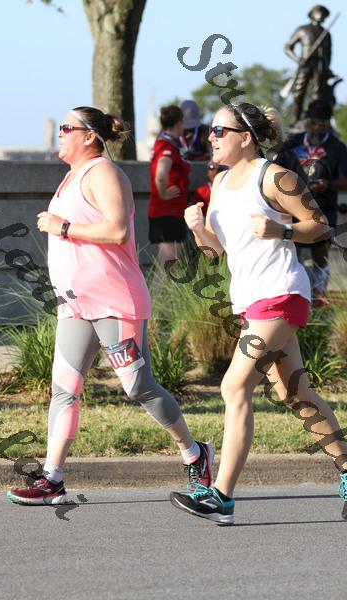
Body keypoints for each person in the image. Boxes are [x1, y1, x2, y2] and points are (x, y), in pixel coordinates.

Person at [7, 106, 213, 505]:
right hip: (76, 304)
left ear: (89, 136)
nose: (60, 133)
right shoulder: (71, 176)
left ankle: (194, 453)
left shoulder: (103, 172)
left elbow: (117, 230)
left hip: (114, 302)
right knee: (64, 390)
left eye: (67, 127)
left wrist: (62, 227)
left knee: (138, 386)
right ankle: (52, 478)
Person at [170, 101, 347, 524]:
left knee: (234, 387)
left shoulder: (275, 177)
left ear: (245, 137)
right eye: (211, 131)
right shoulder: (221, 182)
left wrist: (282, 229)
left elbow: (320, 225)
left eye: (219, 131)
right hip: (251, 301)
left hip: (281, 293)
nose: (211, 138)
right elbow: (216, 252)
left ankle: (221, 497)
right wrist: (198, 228)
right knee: (295, 395)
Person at [281, 99, 347, 304]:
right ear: (306, 123)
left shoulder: (338, 148)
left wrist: (328, 184)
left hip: (323, 209)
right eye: (312, 123)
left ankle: (319, 297)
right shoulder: (292, 143)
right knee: (293, 252)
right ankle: (293, 294)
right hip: (293, 208)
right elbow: (274, 169)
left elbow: (345, 180)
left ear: (327, 124)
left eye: (321, 123)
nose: (316, 128)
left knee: (320, 255)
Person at [148, 105, 190, 286]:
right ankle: (156, 302)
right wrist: (164, 193)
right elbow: (161, 174)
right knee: (166, 268)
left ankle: (159, 301)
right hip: (168, 213)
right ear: (179, 123)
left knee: (169, 266)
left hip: (170, 213)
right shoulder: (167, 146)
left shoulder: (165, 143)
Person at [284, 5, 339, 123]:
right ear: (312, 14)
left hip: (319, 66)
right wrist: (298, 59)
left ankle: (314, 119)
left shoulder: (326, 33)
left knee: (318, 96)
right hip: (305, 65)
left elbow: (328, 54)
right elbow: (288, 48)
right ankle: (296, 120)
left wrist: (327, 68)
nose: (321, 15)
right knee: (298, 93)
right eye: (318, 12)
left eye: (323, 13)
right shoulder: (302, 30)